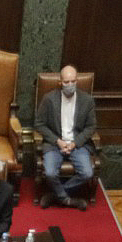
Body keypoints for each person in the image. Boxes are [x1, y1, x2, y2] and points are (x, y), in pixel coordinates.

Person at [34, 65, 98, 208]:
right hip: (54, 144)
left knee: (87, 174)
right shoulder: (49, 99)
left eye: (73, 81)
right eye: (66, 82)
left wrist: (75, 143)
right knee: (50, 173)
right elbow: (39, 124)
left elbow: (91, 127)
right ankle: (67, 200)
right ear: (60, 82)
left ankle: (54, 195)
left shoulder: (87, 100)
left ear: (77, 81)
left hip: (78, 144)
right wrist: (58, 141)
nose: (70, 85)